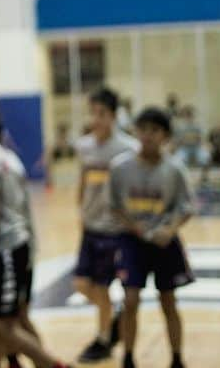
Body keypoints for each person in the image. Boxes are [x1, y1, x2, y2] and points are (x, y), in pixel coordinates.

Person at [0, 91, 71, 368]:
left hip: (2, 250)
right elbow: (3, 208)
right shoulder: (5, 155)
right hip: (19, 246)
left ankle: (53, 365)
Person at [109, 108, 196, 368]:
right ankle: (127, 356)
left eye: (155, 130)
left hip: (164, 243)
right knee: (130, 299)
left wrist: (169, 230)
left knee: (168, 300)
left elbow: (186, 208)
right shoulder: (120, 167)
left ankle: (177, 358)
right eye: (143, 129)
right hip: (132, 241)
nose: (148, 135)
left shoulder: (175, 169)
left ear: (166, 136)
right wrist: (135, 227)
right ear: (136, 132)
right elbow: (115, 206)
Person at [73, 88, 139, 363]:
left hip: (114, 229)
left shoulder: (128, 148)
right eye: (94, 113)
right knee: (81, 285)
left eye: (103, 114)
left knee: (100, 286)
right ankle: (114, 321)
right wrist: (80, 207)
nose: (97, 119)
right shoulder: (84, 146)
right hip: (90, 226)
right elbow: (83, 180)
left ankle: (103, 339)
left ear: (113, 116)